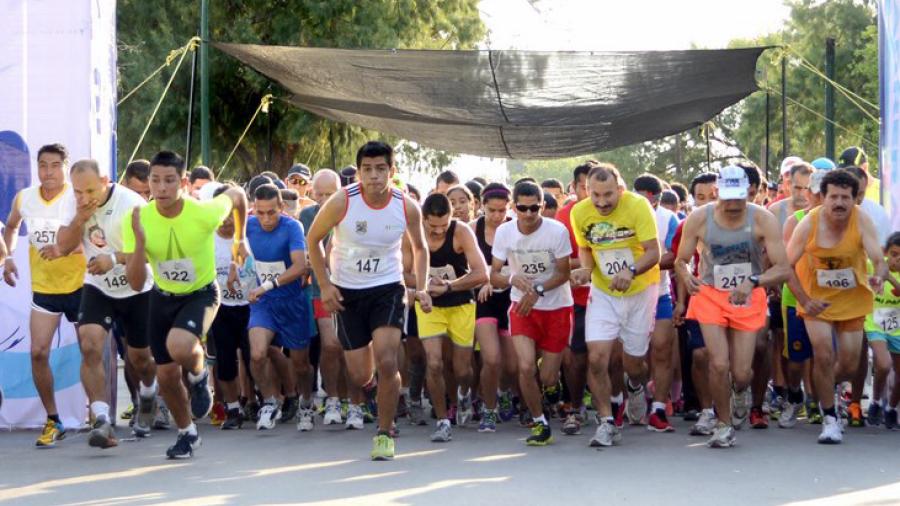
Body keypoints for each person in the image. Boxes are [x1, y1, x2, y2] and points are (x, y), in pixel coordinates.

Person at [307, 141, 431, 461]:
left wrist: (423, 287)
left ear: (392, 171)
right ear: (358, 172)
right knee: (361, 376)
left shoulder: (406, 206)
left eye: (380, 169)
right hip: (347, 292)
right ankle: (377, 385)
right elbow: (313, 239)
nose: (373, 176)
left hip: (387, 288)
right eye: (367, 170)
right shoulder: (342, 201)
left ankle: (384, 433)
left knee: (389, 360)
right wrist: (325, 285)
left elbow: (420, 248)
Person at [122, 150, 248, 459]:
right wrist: (139, 244)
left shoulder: (204, 213)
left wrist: (239, 239)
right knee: (165, 376)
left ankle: (199, 372)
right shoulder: (137, 218)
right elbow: (137, 283)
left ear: (184, 182)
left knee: (180, 346)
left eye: (169, 181)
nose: (161, 188)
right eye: (155, 181)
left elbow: (238, 195)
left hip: (201, 294)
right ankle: (187, 433)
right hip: (161, 297)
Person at [675, 165, 790, 448]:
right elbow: (681, 260)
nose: (734, 203)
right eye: (728, 196)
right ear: (717, 193)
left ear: (749, 193)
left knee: (740, 373)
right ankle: (724, 425)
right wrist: (687, 277)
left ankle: (740, 391)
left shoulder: (762, 219)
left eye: (740, 196)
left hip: (747, 296)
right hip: (711, 295)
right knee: (717, 363)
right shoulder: (699, 218)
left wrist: (754, 281)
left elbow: (784, 268)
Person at [55, 159, 158, 448]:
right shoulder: (73, 203)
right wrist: (78, 218)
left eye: (90, 191)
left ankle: (149, 392)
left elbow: (151, 252)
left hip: (136, 288)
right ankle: (101, 419)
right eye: (78, 192)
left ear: (105, 180)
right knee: (89, 344)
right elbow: (63, 246)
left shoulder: (132, 204)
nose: (84, 198)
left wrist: (112, 259)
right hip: (98, 286)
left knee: (140, 359)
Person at [786, 169, 888, 444]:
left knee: (849, 364)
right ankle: (830, 417)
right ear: (823, 197)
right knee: (823, 354)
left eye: (846, 197)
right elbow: (786, 265)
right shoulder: (809, 222)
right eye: (834, 197)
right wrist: (804, 300)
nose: (839, 203)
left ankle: (824, 387)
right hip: (816, 299)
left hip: (852, 298)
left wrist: (878, 274)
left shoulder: (862, 220)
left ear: (855, 199)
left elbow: (878, 257)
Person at [569, 164, 660, 447]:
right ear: (586, 191)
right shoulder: (580, 212)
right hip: (604, 292)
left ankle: (635, 386)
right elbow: (586, 248)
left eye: (608, 195)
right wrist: (585, 269)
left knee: (634, 364)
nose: (602, 202)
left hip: (640, 291)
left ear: (620, 189)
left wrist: (630, 271)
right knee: (597, 358)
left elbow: (654, 252)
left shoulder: (638, 206)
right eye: (595, 195)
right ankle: (606, 421)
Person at [3, 143, 87, 448]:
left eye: (54, 165)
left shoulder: (77, 198)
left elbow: (94, 237)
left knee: (90, 350)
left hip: (80, 285)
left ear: (66, 167)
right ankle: (54, 420)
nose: (47, 172)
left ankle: (99, 415)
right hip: (45, 289)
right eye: (43, 165)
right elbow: (11, 227)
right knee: (38, 352)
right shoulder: (25, 198)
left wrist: (68, 249)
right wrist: (8, 257)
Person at [492, 181, 573, 446]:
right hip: (521, 306)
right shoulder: (504, 232)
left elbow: (563, 273)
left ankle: (553, 389)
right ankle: (540, 423)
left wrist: (537, 288)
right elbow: (494, 274)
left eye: (534, 208)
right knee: (525, 367)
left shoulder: (556, 231)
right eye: (523, 208)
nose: (528, 214)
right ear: (514, 207)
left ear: (543, 206)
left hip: (556, 307)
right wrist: (512, 278)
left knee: (548, 376)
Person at [243, 184, 315, 432]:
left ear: (282, 208)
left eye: (271, 212)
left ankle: (306, 402)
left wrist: (268, 285)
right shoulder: (248, 225)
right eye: (260, 212)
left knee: (300, 364)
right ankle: (270, 400)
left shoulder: (292, 227)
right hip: (264, 304)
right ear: (253, 208)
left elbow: (300, 267)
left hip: (292, 301)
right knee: (257, 354)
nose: (265, 218)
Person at [417, 193, 487, 442]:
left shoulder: (461, 231)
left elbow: (482, 274)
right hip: (428, 304)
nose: (437, 232)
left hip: (460, 303)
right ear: (423, 218)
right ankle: (442, 419)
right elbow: (400, 270)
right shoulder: (412, 232)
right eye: (432, 226)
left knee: (462, 369)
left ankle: (465, 392)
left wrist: (448, 286)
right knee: (434, 363)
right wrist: (422, 286)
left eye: (443, 226)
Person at [778, 169, 827, 428]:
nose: (820, 199)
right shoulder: (795, 221)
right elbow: (789, 264)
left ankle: (819, 401)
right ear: (809, 193)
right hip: (796, 297)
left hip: (830, 299)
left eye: (825, 194)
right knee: (797, 357)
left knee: (824, 355)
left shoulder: (844, 221)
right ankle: (794, 395)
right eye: (817, 193)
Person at [299, 169, 347, 427]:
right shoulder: (306, 216)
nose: (325, 199)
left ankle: (354, 400)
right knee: (330, 345)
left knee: (349, 350)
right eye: (320, 194)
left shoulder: (350, 211)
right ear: (312, 193)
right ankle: (332, 398)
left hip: (352, 289)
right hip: (320, 290)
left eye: (330, 193)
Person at [632, 173, 680, 432]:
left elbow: (674, 255)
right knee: (632, 356)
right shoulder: (623, 214)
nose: (650, 203)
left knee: (662, 349)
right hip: (627, 296)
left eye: (656, 199)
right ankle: (634, 387)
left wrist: (643, 265)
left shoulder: (668, 219)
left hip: (659, 293)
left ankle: (659, 409)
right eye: (644, 197)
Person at [671, 172, 718, 436]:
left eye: (713, 195)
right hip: (702, 296)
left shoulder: (748, 220)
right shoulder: (690, 223)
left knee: (735, 365)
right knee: (700, 355)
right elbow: (681, 262)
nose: (708, 201)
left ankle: (739, 395)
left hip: (739, 297)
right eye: (701, 197)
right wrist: (681, 300)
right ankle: (706, 410)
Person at [208, 184, 256, 430]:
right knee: (225, 360)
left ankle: (259, 401)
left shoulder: (250, 233)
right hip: (221, 307)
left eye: (230, 215)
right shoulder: (206, 238)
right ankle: (233, 407)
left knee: (254, 358)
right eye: (221, 215)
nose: (226, 222)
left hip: (251, 305)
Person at [471, 183, 515, 431]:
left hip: (511, 298)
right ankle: (488, 409)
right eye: (492, 211)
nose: (498, 216)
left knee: (512, 366)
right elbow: (465, 265)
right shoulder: (472, 229)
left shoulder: (516, 229)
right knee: (491, 359)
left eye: (502, 210)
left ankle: (505, 390)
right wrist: (485, 279)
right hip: (483, 301)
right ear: (481, 206)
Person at [555, 161, 594, 436]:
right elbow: (559, 261)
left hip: (612, 295)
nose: (592, 193)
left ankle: (621, 400)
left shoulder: (623, 210)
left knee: (614, 360)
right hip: (576, 297)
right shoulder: (564, 216)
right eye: (585, 187)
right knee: (575, 358)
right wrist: (589, 260)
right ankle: (575, 406)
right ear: (575, 187)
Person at [864, 232, 900, 428]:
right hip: (874, 323)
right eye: (894, 254)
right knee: (884, 364)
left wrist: (890, 279)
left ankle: (891, 409)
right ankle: (876, 401)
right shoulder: (876, 264)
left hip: (897, 327)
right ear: (887, 252)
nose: (897, 260)